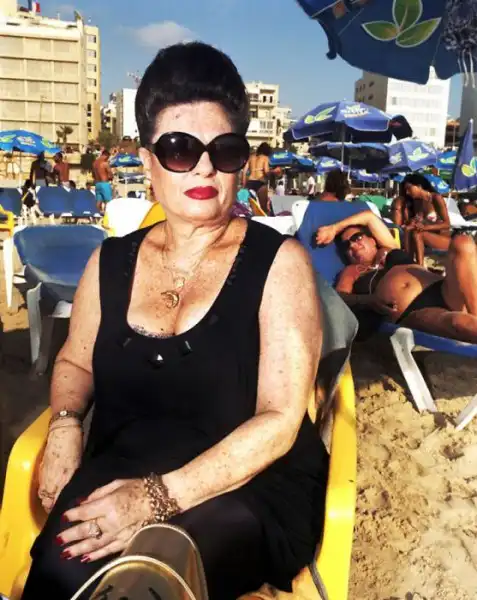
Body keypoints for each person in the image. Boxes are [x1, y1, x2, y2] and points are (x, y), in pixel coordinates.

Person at [23, 42, 328, 600]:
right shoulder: (109, 263)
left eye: (225, 150)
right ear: (147, 163)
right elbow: (74, 361)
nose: (205, 167)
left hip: (246, 485)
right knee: (58, 572)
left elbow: (280, 420)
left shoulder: (280, 265)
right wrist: (65, 424)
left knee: (149, 578)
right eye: (181, 149)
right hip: (125, 464)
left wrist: (155, 499)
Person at [316, 210, 477, 343]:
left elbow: (369, 217)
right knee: (459, 323)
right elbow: (339, 297)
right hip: (415, 311)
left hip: (442, 289)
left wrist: (334, 228)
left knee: (463, 242)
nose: (352, 245)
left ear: (372, 240)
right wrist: (368, 300)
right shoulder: (352, 271)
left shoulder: (391, 248)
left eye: (356, 238)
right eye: (346, 245)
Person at [391, 173, 451, 265]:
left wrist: (425, 227)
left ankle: (420, 265)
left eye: (409, 188)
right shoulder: (418, 202)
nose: (407, 192)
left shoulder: (436, 198)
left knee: (417, 234)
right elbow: (420, 221)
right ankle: (408, 261)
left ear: (419, 186)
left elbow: (447, 224)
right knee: (408, 229)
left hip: (442, 239)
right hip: (426, 236)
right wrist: (413, 222)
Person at [242, 142, 272, 213]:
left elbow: (244, 171)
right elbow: (266, 172)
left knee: (250, 206)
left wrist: (244, 184)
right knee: (263, 208)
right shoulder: (265, 158)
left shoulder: (250, 157)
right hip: (261, 182)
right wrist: (272, 173)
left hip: (250, 182)